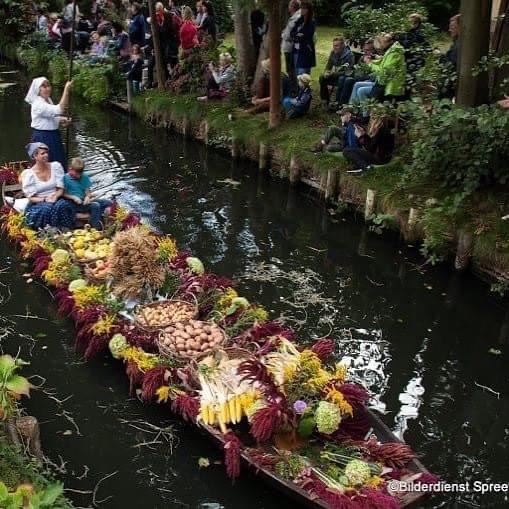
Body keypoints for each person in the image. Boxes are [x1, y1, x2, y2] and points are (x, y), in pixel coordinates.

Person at [22, 142, 75, 231]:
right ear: (35, 156)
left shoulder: (55, 166)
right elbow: (31, 197)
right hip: (38, 203)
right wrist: (44, 199)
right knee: (48, 208)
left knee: (62, 205)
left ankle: (66, 229)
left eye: (46, 153)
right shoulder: (29, 174)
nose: (46, 155)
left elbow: (60, 189)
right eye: (42, 153)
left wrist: (56, 195)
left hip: (55, 199)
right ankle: (49, 231)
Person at [25, 77, 72, 171]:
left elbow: (50, 117)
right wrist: (66, 90)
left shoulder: (48, 100)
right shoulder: (38, 104)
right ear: (38, 90)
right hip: (43, 137)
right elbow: (59, 109)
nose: (47, 88)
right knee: (46, 164)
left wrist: (61, 119)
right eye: (44, 86)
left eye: (48, 86)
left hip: (53, 135)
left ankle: (59, 183)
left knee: (59, 162)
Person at [350, 33, 406, 103]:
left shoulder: (394, 53)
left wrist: (370, 63)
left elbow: (383, 72)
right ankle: (351, 109)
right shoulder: (391, 50)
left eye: (381, 42)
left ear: (390, 42)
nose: (380, 45)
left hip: (390, 87)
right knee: (357, 84)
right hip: (383, 82)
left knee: (361, 91)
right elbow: (385, 62)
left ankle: (364, 113)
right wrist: (375, 58)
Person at [63, 157, 112, 229]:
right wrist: (73, 197)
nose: (79, 176)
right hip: (74, 204)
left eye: (80, 173)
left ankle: (94, 217)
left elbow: (88, 192)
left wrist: (87, 197)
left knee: (108, 202)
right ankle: (95, 228)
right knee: (96, 206)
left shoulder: (84, 176)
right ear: (70, 169)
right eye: (76, 173)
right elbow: (63, 194)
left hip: (84, 202)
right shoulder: (65, 178)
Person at [336, 39, 375, 106]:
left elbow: (371, 74)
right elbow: (357, 67)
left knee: (348, 80)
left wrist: (369, 63)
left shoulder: (374, 59)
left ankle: (342, 104)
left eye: (368, 50)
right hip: (357, 75)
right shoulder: (363, 57)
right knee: (341, 78)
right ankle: (337, 101)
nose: (365, 51)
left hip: (364, 78)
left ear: (373, 50)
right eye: (364, 49)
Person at [319, 36, 355, 107]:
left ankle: (339, 103)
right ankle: (325, 100)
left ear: (342, 46)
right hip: (335, 76)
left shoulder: (349, 55)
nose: (334, 47)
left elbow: (348, 72)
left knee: (342, 79)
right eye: (333, 45)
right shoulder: (333, 53)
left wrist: (333, 73)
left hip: (344, 78)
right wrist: (326, 72)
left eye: (336, 46)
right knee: (322, 77)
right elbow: (328, 66)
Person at [290, 1, 316, 75]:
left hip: (305, 52)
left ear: (308, 10)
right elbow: (292, 33)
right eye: (301, 8)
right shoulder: (299, 21)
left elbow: (306, 35)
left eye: (304, 8)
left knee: (302, 76)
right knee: (296, 74)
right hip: (296, 51)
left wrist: (297, 36)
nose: (301, 10)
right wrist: (297, 35)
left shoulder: (311, 22)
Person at [281, 0, 301, 94]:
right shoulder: (295, 17)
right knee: (291, 69)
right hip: (290, 47)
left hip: (290, 48)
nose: (288, 7)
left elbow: (290, 34)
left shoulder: (296, 18)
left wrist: (283, 35)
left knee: (291, 69)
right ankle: (294, 88)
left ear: (293, 7)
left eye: (289, 5)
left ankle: (294, 90)